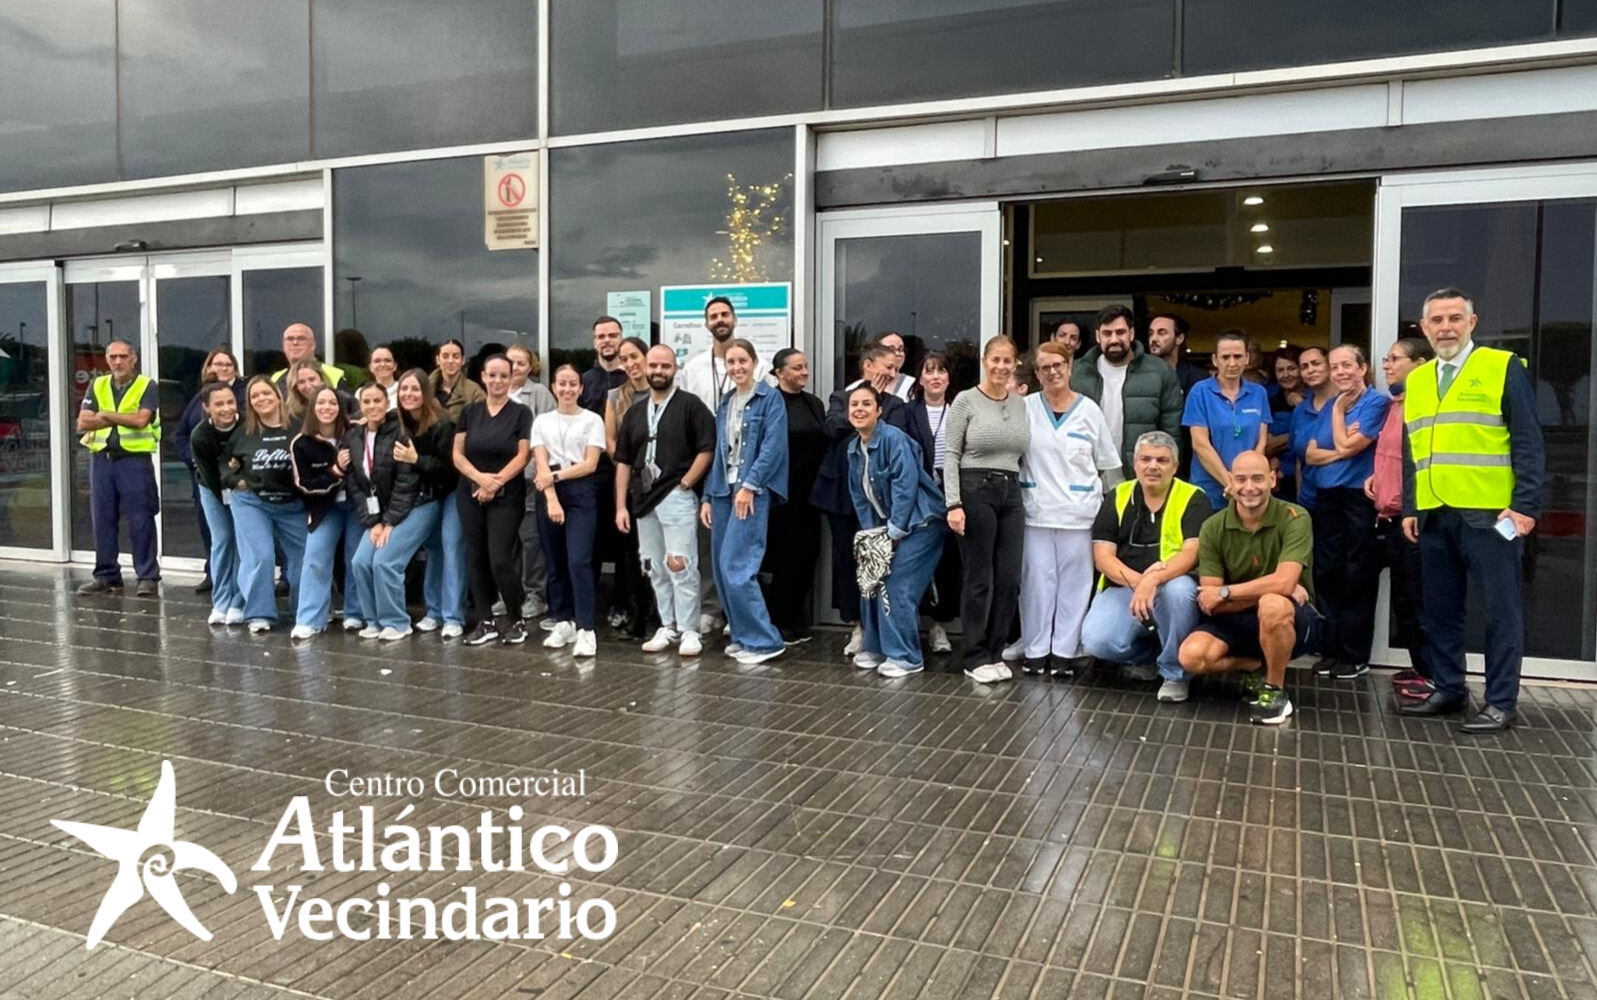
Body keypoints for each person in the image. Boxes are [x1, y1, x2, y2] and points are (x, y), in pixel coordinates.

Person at [1399, 288, 1545, 733]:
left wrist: (1525, 505)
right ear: (1425, 328)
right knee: (1441, 611)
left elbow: (1528, 440)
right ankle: (1449, 688)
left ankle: (1501, 701)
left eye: (1454, 318)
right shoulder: (1417, 380)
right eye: (1437, 320)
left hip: (1490, 514)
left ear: (1472, 323)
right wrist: (1411, 505)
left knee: (1500, 612)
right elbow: (1413, 449)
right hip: (1434, 514)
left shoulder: (1502, 367)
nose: (1446, 328)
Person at [1178, 451, 1322, 725]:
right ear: (1230, 482)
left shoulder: (1295, 517)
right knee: (1191, 657)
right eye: (1241, 479)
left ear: (1272, 480)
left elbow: (1277, 584)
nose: (1249, 487)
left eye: (1257, 478)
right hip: (1237, 619)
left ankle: (1274, 691)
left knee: (1273, 605)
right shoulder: (1212, 527)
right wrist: (1275, 587)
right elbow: (1210, 602)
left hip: (1294, 620)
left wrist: (1228, 592)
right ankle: (1255, 665)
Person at [812, 344, 927, 657]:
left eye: (895, 369)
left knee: (883, 562)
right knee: (848, 559)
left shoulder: (897, 405)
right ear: (867, 365)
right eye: (887, 366)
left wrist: (877, 407)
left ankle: (882, 628)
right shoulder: (841, 397)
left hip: (879, 497)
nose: (892, 373)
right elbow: (832, 428)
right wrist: (863, 408)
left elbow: (892, 436)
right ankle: (857, 626)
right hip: (841, 495)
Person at [1017, 342, 1123, 678]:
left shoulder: (1089, 410)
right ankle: (1035, 651)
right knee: (1036, 584)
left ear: (1070, 367)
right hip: (1036, 511)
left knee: (1075, 586)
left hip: (1080, 515)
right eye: (1044, 367)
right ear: (1036, 373)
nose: (1052, 372)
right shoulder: (1025, 408)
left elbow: (1107, 465)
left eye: (1058, 365)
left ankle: (1063, 652)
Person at [1082, 431, 1211, 702]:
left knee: (1179, 592)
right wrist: (1140, 583)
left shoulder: (1193, 497)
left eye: (1162, 460)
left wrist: (1153, 580)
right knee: (1096, 641)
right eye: (1146, 459)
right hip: (1125, 588)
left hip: (1171, 585)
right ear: (1135, 463)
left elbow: (1192, 553)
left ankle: (1176, 674)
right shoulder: (1117, 496)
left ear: (1175, 466)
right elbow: (1103, 557)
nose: (1153, 466)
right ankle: (1149, 657)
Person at [615, 345, 717, 657]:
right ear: (646, 368)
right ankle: (668, 625)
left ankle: (689, 629)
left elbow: (706, 449)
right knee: (655, 567)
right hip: (643, 501)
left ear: (675, 369)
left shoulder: (691, 406)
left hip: (676, 496)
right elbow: (623, 461)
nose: (658, 371)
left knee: (681, 564)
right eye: (654, 366)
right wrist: (620, 506)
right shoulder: (635, 412)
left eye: (665, 366)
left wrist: (686, 483)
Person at [845, 385, 948, 678]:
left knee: (896, 584)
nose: (859, 409)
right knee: (872, 580)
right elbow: (859, 496)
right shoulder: (853, 448)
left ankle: (905, 657)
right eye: (854, 404)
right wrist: (873, 536)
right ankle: (877, 648)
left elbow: (906, 487)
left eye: (867, 404)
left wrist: (894, 531)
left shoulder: (894, 439)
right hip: (887, 527)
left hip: (921, 523)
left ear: (879, 410)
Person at [1302, 345, 1390, 680]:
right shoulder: (1328, 405)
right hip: (1327, 497)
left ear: (1362, 368)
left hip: (1357, 498)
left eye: (1346, 365)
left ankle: (1354, 655)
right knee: (1328, 572)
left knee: (1357, 574)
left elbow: (1347, 446)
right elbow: (1311, 454)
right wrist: (1342, 446)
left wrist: (1339, 417)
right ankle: (1331, 649)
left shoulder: (1375, 403)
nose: (1339, 372)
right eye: (1335, 366)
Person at [946, 335, 1030, 684]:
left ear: (1015, 365)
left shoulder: (1020, 404)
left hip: (1011, 492)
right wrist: (953, 503)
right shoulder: (966, 400)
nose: (1001, 366)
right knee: (979, 577)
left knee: (1009, 578)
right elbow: (950, 453)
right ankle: (974, 655)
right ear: (984, 361)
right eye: (995, 359)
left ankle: (996, 651)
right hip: (975, 488)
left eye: (1007, 360)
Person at [680, 297, 766, 635]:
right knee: (708, 539)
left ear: (734, 319)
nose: (720, 320)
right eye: (713, 316)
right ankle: (711, 608)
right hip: (706, 459)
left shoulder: (757, 366)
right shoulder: (694, 367)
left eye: (725, 314)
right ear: (706, 324)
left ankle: (738, 613)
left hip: (744, 466)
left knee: (742, 543)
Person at [702, 339, 788, 666]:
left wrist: (750, 485)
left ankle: (764, 641)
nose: (737, 367)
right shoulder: (726, 401)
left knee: (738, 566)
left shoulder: (770, 398)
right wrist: (708, 496)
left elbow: (773, 446)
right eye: (731, 362)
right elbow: (719, 453)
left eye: (742, 361)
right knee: (721, 568)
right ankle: (742, 635)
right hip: (723, 491)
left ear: (754, 362)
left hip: (750, 490)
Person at [1367, 337, 1437, 700]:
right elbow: (1395, 459)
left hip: (1414, 520)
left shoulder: (1425, 405)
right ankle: (1422, 666)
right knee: (1405, 600)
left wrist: (1413, 511)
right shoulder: (1396, 405)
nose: (1387, 365)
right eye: (1386, 358)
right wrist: (1376, 478)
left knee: (1422, 600)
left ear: (1420, 364)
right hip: (1391, 516)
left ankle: (1436, 675)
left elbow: (1421, 465)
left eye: (1395, 359)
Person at [454, 355, 534, 646]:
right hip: (471, 492)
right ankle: (485, 620)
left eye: (503, 376)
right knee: (475, 558)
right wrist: (480, 478)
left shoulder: (521, 413)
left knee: (500, 558)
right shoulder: (470, 412)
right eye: (492, 375)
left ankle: (516, 618)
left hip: (507, 495)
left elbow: (524, 455)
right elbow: (457, 453)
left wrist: (495, 482)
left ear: (511, 378)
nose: (497, 381)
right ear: (483, 377)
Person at [76, 339, 162, 597]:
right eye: (113, 357)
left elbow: (141, 420)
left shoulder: (147, 385)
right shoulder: (98, 384)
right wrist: (117, 418)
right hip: (102, 460)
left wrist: (104, 415)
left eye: (123, 356)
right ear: (107, 360)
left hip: (134, 460)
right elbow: (83, 422)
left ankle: (147, 576)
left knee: (141, 518)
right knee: (102, 518)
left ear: (133, 359)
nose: (117, 362)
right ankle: (106, 576)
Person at [532, 365, 606, 656]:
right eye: (561, 384)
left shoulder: (592, 420)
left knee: (579, 560)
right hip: (548, 491)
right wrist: (551, 496)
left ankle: (586, 628)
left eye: (573, 384)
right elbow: (540, 461)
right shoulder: (542, 421)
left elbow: (590, 463)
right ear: (553, 387)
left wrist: (556, 477)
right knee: (555, 561)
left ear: (581, 388)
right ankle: (564, 620)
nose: (567, 389)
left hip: (580, 490)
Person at [343, 383, 424, 640]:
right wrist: (373, 523)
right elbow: (355, 485)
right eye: (366, 402)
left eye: (377, 401)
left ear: (387, 403)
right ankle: (373, 621)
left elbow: (406, 482)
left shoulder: (400, 433)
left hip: (404, 510)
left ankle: (397, 622)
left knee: (384, 561)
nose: (372, 406)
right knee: (360, 562)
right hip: (376, 515)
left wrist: (389, 522)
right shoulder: (353, 437)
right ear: (360, 406)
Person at [228, 376, 308, 633]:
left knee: (306, 557)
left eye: (266, 393)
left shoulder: (298, 427)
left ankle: (304, 611)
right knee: (261, 556)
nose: (261, 399)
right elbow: (220, 462)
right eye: (255, 396)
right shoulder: (243, 432)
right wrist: (235, 480)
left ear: (278, 396)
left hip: (292, 504)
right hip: (253, 502)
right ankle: (259, 614)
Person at [1071, 304, 1183, 486]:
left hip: (1141, 480)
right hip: (1087, 480)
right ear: (1098, 336)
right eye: (1107, 333)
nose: (1114, 339)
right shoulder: (1077, 372)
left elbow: (1172, 433)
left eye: (1120, 332)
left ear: (1131, 334)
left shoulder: (1160, 371)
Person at [289, 386, 366, 640]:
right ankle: (310, 619)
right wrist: (335, 471)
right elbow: (304, 486)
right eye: (321, 403)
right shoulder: (301, 443)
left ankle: (356, 612)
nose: (327, 408)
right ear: (312, 409)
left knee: (355, 558)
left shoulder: (355, 433)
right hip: (325, 508)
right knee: (315, 558)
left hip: (357, 505)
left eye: (332, 403)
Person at [763, 348, 828, 644]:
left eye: (806, 367)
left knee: (806, 556)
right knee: (783, 559)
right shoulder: (769, 403)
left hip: (810, 495)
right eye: (797, 368)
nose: (805, 372)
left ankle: (796, 619)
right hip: (780, 496)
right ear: (779, 373)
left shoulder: (813, 403)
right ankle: (779, 621)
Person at [399, 370, 464, 638]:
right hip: (425, 496)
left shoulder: (443, 424)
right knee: (434, 550)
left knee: (452, 548)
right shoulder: (401, 423)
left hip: (451, 493)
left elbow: (449, 470)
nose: (409, 394)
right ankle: (434, 611)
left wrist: (416, 460)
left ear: (425, 393)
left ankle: (453, 616)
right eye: (404, 389)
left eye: (415, 389)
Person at [174, 348, 244, 594]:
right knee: (214, 533)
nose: (222, 368)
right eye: (217, 364)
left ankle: (239, 588)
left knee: (237, 535)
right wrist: (194, 458)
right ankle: (214, 577)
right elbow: (181, 434)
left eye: (227, 364)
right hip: (204, 477)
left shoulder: (243, 394)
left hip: (237, 480)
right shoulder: (200, 397)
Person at [1182, 330, 1271, 508]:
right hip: (1209, 490)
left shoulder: (1259, 393)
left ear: (1247, 358)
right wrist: (1231, 484)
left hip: (1248, 490)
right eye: (1225, 357)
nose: (1232, 363)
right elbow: (1200, 444)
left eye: (1238, 356)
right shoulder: (1200, 392)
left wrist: (1246, 483)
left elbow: (1261, 443)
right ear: (1215, 360)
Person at [602, 336, 654, 638]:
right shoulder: (615, 396)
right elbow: (610, 438)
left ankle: (658, 615)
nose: (631, 364)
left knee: (657, 550)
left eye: (635, 356)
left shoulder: (663, 391)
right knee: (630, 552)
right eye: (625, 359)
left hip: (659, 483)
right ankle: (636, 615)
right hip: (628, 482)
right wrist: (626, 463)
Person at [909, 352, 960, 656]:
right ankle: (913, 623)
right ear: (921, 379)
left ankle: (940, 625)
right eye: (929, 371)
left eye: (941, 371)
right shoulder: (908, 412)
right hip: (919, 493)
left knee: (948, 562)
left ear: (949, 378)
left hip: (952, 493)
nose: (935, 377)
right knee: (917, 560)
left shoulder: (959, 409)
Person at [506, 342, 556, 620]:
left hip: (528, 479)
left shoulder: (538, 393)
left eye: (521, 363)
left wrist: (538, 471)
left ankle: (535, 595)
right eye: (511, 362)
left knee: (530, 540)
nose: (515, 368)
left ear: (531, 367)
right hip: (500, 481)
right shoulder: (494, 392)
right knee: (506, 539)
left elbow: (548, 435)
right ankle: (510, 594)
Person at [188, 381, 245, 625]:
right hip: (212, 488)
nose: (226, 408)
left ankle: (239, 601)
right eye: (219, 404)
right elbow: (210, 475)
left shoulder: (246, 426)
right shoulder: (200, 435)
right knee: (222, 540)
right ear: (207, 407)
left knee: (242, 542)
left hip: (243, 488)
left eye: (230, 402)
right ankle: (221, 601)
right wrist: (225, 501)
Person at [1290, 346, 1334, 511]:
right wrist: (1299, 501)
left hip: (1341, 501)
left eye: (1316, 363)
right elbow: (1298, 460)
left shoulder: (1347, 405)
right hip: (1308, 500)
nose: (1310, 370)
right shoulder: (1300, 410)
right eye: (1304, 367)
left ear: (1329, 366)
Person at [1266, 347, 1303, 501]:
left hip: (1309, 479)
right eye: (1280, 370)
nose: (1286, 375)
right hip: (1280, 480)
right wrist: (1300, 435)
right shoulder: (1270, 399)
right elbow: (1267, 444)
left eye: (1292, 368)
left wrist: (1301, 406)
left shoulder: (1316, 399)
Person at [270, 323, 345, 390]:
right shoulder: (276, 378)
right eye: (290, 339)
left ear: (313, 345)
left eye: (301, 338)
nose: (295, 343)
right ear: (283, 346)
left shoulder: (334, 375)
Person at [1147, 313, 1205, 395]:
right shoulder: (1138, 374)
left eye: (1162, 333)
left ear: (1179, 339)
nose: (1153, 339)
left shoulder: (1197, 379)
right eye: (1151, 334)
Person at [431, 339, 485, 423]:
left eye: (456, 357)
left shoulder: (474, 391)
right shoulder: (424, 389)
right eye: (445, 356)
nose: (450, 361)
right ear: (438, 360)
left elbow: (484, 420)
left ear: (463, 360)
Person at [874, 332, 918, 400]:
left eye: (901, 349)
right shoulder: (859, 385)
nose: (897, 353)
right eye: (891, 349)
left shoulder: (913, 385)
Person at [367, 345, 400, 410]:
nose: (383, 364)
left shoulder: (404, 391)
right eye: (377, 361)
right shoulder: (361, 393)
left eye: (387, 360)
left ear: (395, 366)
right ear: (370, 367)